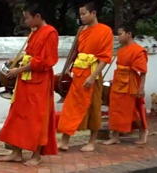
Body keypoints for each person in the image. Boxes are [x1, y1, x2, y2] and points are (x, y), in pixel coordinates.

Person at [0, 2, 58, 166]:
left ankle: (36, 155)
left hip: (39, 82)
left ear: (38, 17)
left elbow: (46, 61)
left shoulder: (50, 33)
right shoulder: (34, 32)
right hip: (25, 80)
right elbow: (29, 54)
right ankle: (16, 152)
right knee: (18, 115)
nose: (25, 22)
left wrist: (18, 70)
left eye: (27, 18)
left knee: (36, 118)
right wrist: (15, 62)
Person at [58, 1, 113, 152]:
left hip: (93, 75)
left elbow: (105, 58)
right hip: (78, 74)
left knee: (94, 107)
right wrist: (70, 68)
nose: (81, 17)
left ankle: (92, 141)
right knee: (70, 106)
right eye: (80, 14)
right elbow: (77, 53)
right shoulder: (82, 31)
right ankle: (64, 141)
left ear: (93, 13)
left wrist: (92, 76)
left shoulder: (105, 31)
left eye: (84, 13)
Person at [103, 26, 149, 145]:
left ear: (129, 34)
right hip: (118, 82)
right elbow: (119, 68)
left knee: (133, 110)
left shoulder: (138, 50)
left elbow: (143, 72)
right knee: (115, 109)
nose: (118, 37)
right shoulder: (121, 50)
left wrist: (141, 87)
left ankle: (143, 133)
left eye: (120, 34)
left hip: (131, 83)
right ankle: (115, 136)